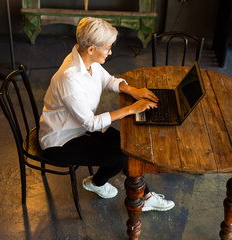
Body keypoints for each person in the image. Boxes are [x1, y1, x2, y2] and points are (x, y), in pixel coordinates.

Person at [39, 17, 174, 212]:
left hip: (76, 126)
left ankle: (144, 194)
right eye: (108, 48)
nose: (111, 52)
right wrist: (131, 109)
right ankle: (101, 184)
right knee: (121, 157)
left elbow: (107, 80)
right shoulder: (69, 78)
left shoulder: (87, 60)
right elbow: (91, 124)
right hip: (60, 140)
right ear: (91, 49)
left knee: (127, 146)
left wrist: (133, 91)